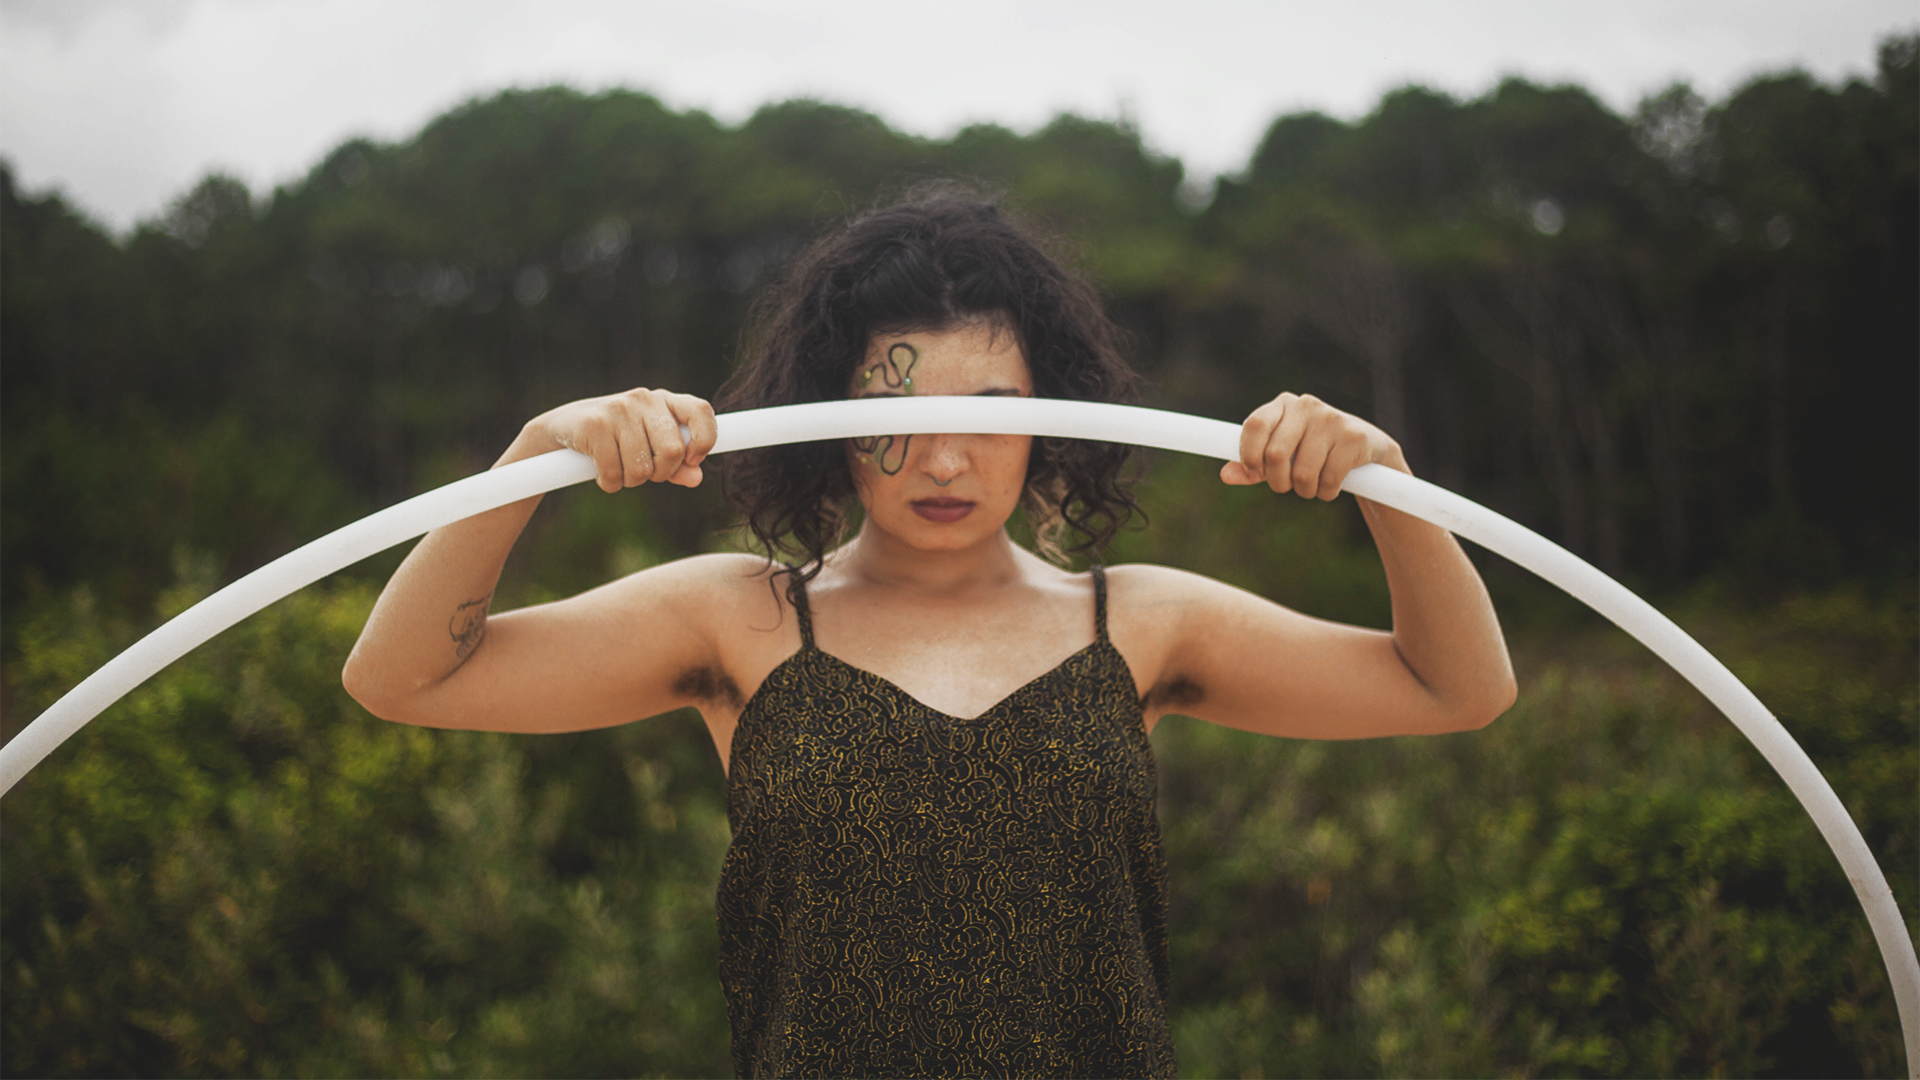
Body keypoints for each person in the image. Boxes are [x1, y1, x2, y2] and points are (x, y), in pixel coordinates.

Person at [342, 187, 1517, 1078]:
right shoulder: (739, 620)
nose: (946, 460)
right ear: (830, 418)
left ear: (1052, 418)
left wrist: (1385, 484)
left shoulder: (1141, 622)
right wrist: (530, 458)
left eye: (989, 417)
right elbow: (403, 676)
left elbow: (1457, 686)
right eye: (900, 417)